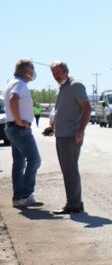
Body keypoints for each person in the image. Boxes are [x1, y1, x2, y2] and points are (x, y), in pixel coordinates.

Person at [45, 61, 92, 214]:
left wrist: (81, 130)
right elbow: (61, 110)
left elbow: (87, 107)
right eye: (53, 73)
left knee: (70, 170)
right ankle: (74, 203)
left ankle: (74, 204)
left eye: (58, 72)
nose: (56, 76)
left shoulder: (75, 85)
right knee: (68, 170)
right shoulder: (62, 87)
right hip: (61, 134)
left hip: (71, 135)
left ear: (66, 71)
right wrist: (52, 126)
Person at [3, 59, 43, 208]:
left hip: (13, 128)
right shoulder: (19, 84)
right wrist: (20, 121)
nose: (33, 74)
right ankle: (26, 195)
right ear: (27, 71)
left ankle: (18, 197)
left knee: (19, 163)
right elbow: (14, 99)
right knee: (35, 160)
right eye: (32, 70)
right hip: (20, 129)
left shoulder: (11, 83)